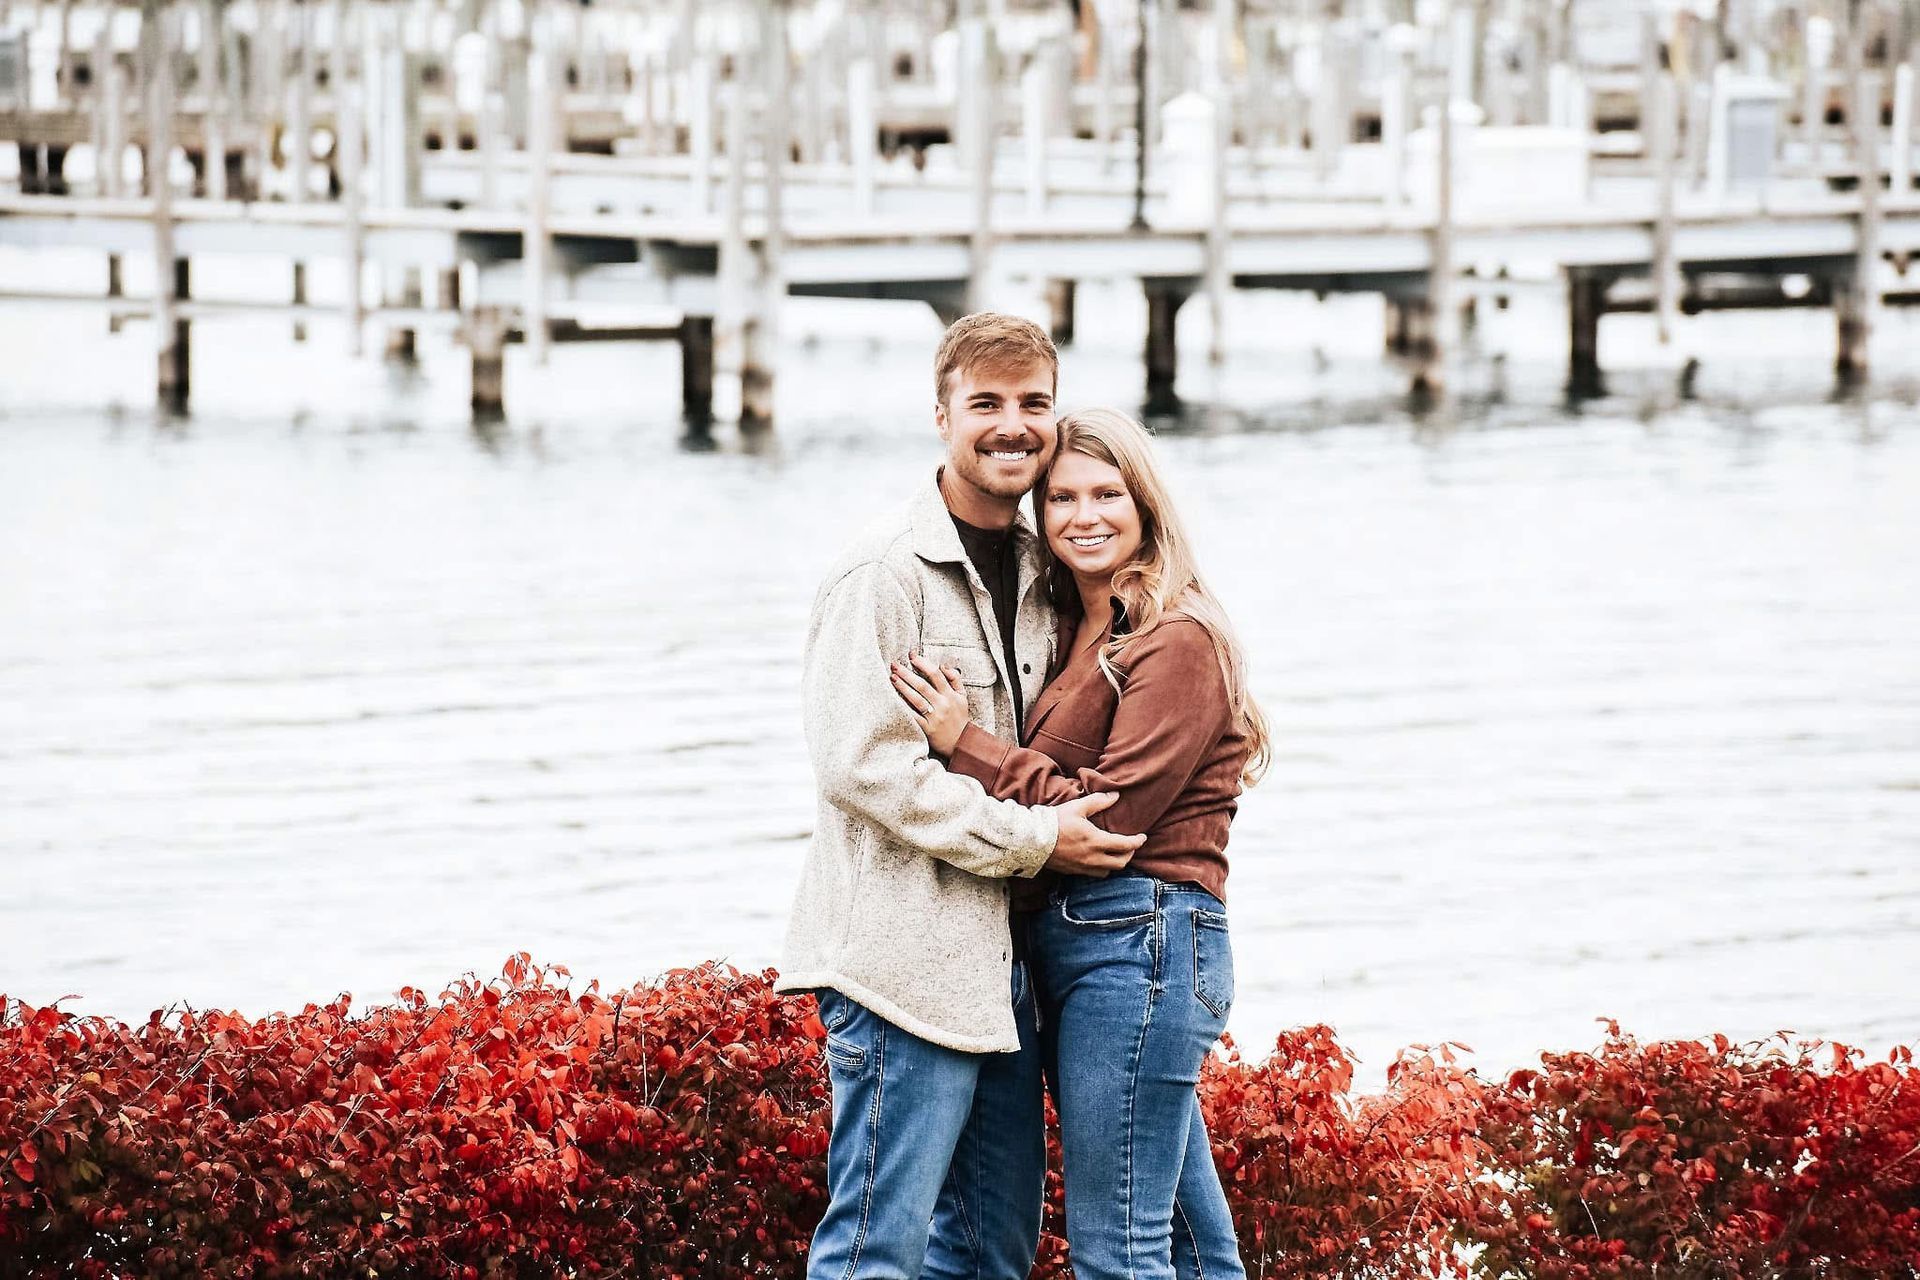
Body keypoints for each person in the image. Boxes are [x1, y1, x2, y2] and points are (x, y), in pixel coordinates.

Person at [775, 314, 1146, 1280]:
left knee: (992, 1251)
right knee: (875, 1251)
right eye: (986, 404)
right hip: (899, 968)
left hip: (1001, 978)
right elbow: (865, 768)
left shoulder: (1046, 569)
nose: (1012, 425)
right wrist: (1034, 839)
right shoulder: (883, 574)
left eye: (1034, 404)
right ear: (941, 416)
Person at [889, 407, 1271, 1280]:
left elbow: (1110, 818)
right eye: (1062, 497)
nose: (1084, 515)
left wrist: (968, 744)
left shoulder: (1179, 639)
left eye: (1108, 494)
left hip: (1140, 944)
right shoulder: (1074, 631)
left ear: (1145, 505)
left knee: (1118, 1249)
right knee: (1188, 1242)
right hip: (1087, 947)